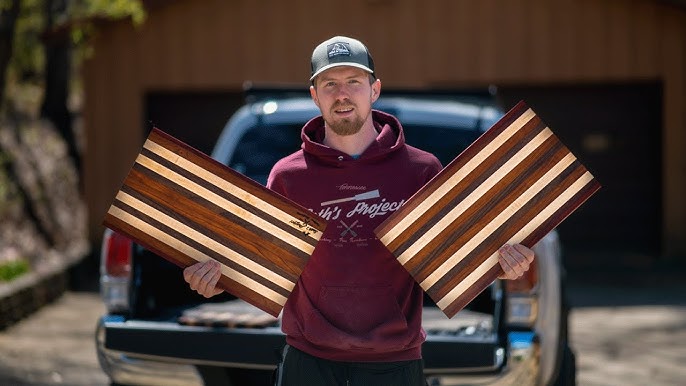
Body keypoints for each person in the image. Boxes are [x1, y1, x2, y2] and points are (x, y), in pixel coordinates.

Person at [183, 35, 535, 386]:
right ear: (314, 95)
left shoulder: (421, 170)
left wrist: (498, 266)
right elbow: (260, 264)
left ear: (374, 89)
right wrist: (216, 281)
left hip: (395, 362)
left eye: (354, 82)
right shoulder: (288, 176)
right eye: (330, 84)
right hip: (309, 362)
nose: (342, 94)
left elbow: (452, 259)